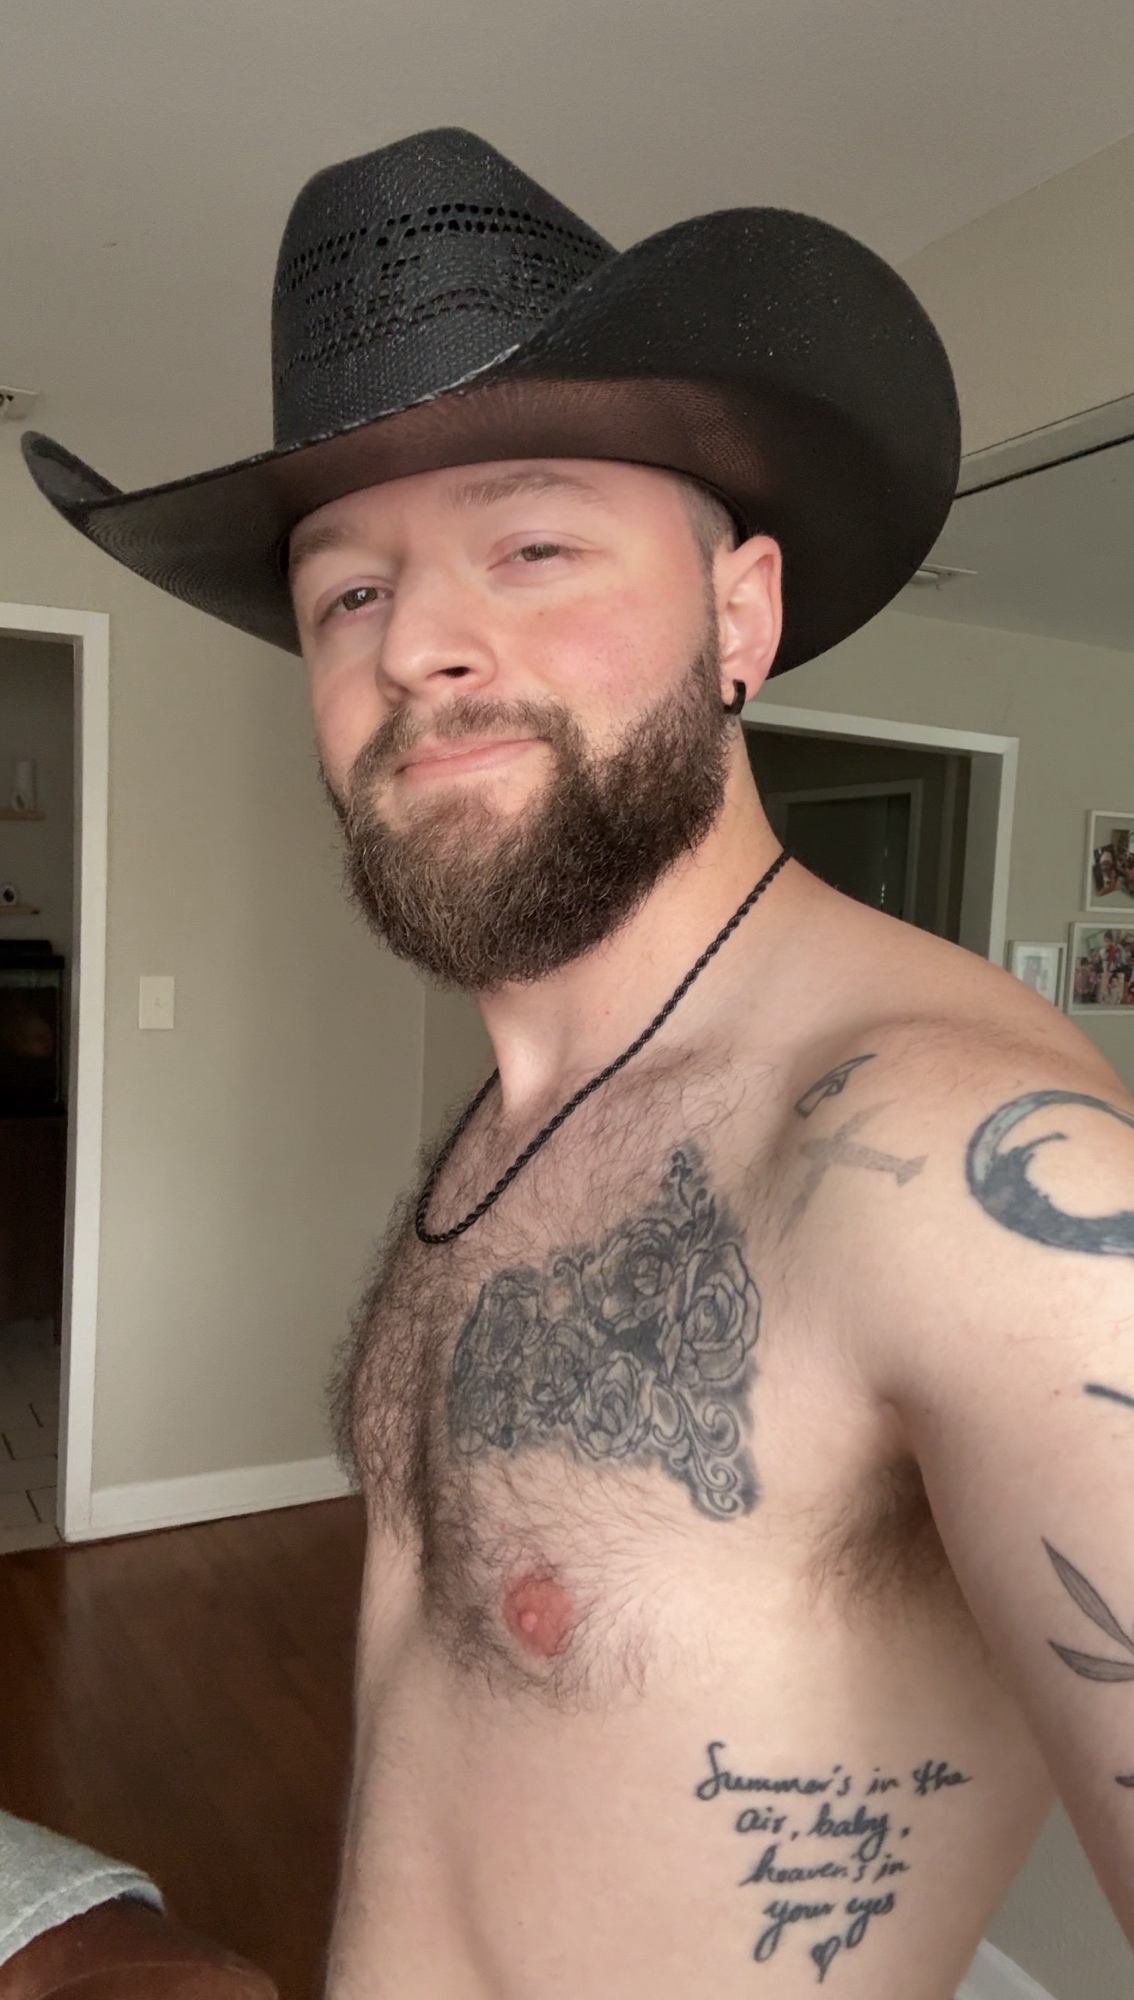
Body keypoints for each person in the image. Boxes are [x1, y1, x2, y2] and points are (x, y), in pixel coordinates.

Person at [24, 128, 1134, 2000]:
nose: (420, 648)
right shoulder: (530, 1115)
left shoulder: (962, 1173)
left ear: (741, 613)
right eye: (346, 594)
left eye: (531, 547)